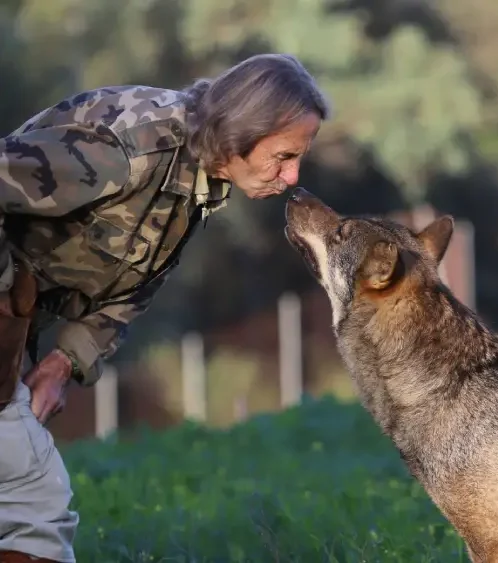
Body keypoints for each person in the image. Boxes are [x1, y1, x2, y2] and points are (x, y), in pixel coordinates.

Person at [0, 53, 329, 563]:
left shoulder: (199, 180)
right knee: (34, 507)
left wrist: (61, 363)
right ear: (242, 129)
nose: (291, 177)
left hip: (16, 333)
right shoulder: (129, 151)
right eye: (283, 156)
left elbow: (135, 283)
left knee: (28, 504)